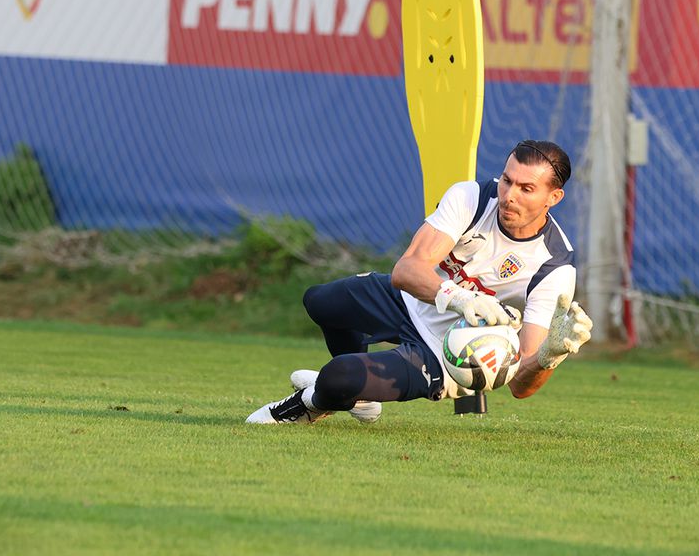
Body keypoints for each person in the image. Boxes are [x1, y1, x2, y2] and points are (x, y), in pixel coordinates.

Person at [246, 140, 593, 424]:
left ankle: (311, 403)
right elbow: (406, 270)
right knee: (319, 301)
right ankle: (359, 398)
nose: (509, 195)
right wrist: (462, 299)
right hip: (410, 302)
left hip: (444, 354)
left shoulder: (554, 267)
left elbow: (521, 387)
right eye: (507, 180)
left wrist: (548, 357)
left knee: (338, 376)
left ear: (554, 197)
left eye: (526, 188)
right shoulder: (472, 198)